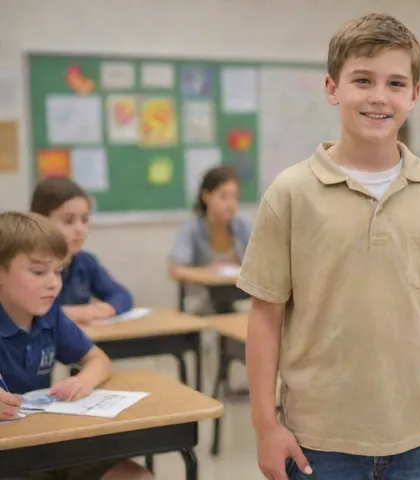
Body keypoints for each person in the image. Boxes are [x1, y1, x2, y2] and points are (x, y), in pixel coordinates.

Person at [236, 13, 420, 480]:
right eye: (363, 80)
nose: (379, 96)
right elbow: (265, 316)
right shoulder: (291, 192)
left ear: (414, 94)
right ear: (332, 88)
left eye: (396, 83)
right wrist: (264, 426)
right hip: (319, 437)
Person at [0, 211, 151, 480]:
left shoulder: (50, 315)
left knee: (133, 475)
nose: (53, 283)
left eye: (58, 271)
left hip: (48, 441)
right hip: (8, 456)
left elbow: (98, 359)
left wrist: (84, 380)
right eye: (38, 271)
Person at [30, 177, 133, 325]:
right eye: (68, 221)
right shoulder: (27, 265)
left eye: (84, 220)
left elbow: (122, 295)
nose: (80, 229)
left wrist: (107, 308)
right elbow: (24, 312)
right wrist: (73, 313)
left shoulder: (84, 262)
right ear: (41, 221)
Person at [168, 165, 251, 314]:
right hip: (203, 300)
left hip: (238, 296)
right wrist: (207, 273)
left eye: (235, 197)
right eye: (223, 197)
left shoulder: (242, 226)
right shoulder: (192, 229)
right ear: (206, 196)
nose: (231, 204)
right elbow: (175, 270)